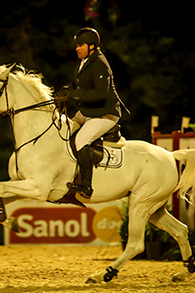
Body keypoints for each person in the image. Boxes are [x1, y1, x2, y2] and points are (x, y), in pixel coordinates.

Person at [64, 27, 128, 199]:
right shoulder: (82, 61)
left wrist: (75, 94)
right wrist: (65, 90)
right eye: (76, 46)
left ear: (92, 46)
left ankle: (86, 185)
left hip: (105, 114)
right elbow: (76, 84)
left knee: (81, 140)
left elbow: (101, 94)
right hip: (88, 111)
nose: (77, 49)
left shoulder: (100, 63)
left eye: (81, 45)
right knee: (62, 131)